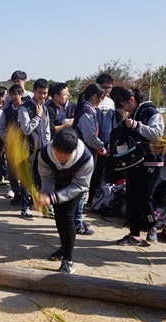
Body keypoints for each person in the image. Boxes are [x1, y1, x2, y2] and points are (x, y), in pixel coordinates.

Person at [37, 128, 93, 274]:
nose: (61, 157)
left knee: (68, 216)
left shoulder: (86, 158)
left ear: (73, 150)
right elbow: (46, 177)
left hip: (75, 187)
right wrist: (46, 194)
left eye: (66, 153)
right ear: (53, 146)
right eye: (58, 151)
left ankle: (68, 261)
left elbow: (80, 185)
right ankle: (64, 246)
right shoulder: (44, 154)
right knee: (59, 216)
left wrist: (53, 197)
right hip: (57, 183)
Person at [113, 88, 164, 245]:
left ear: (132, 99)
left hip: (151, 161)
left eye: (124, 105)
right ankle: (134, 234)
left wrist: (137, 125)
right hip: (134, 162)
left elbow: (157, 135)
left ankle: (152, 227)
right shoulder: (132, 114)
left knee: (144, 199)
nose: (124, 109)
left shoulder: (151, 111)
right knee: (131, 199)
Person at [72, 83, 107, 235]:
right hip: (82, 155)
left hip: (84, 154)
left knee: (80, 189)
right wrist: (101, 147)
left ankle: (76, 219)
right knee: (81, 188)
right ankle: (77, 222)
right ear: (94, 97)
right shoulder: (86, 111)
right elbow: (90, 136)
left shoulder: (89, 109)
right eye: (101, 98)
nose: (101, 101)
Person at [17, 78, 52, 219]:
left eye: (45, 93)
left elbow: (47, 129)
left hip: (42, 150)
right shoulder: (25, 108)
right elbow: (26, 130)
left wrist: (48, 145)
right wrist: (37, 117)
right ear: (34, 91)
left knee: (42, 179)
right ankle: (25, 207)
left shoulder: (45, 108)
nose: (42, 96)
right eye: (40, 93)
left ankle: (42, 206)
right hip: (27, 150)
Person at [87, 74, 117, 205]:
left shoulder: (111, 102)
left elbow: (113, 123)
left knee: (100, 172)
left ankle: (94, 199)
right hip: (93, 141)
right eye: (104, 87)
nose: (107, 90)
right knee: (89, 170)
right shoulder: (93, 101)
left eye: (109, 88)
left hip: (107, 141)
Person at [0, 84, 27, 208]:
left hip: (26, 147)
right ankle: (17, 194)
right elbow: (1, 127)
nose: (13, 97)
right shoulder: (6, 112)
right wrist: (5, 138)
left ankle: (27, 196)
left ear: (21, 95)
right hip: (11, 148)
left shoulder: (28, 109)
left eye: (16, 94)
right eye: (11, 95)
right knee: (13, 172)